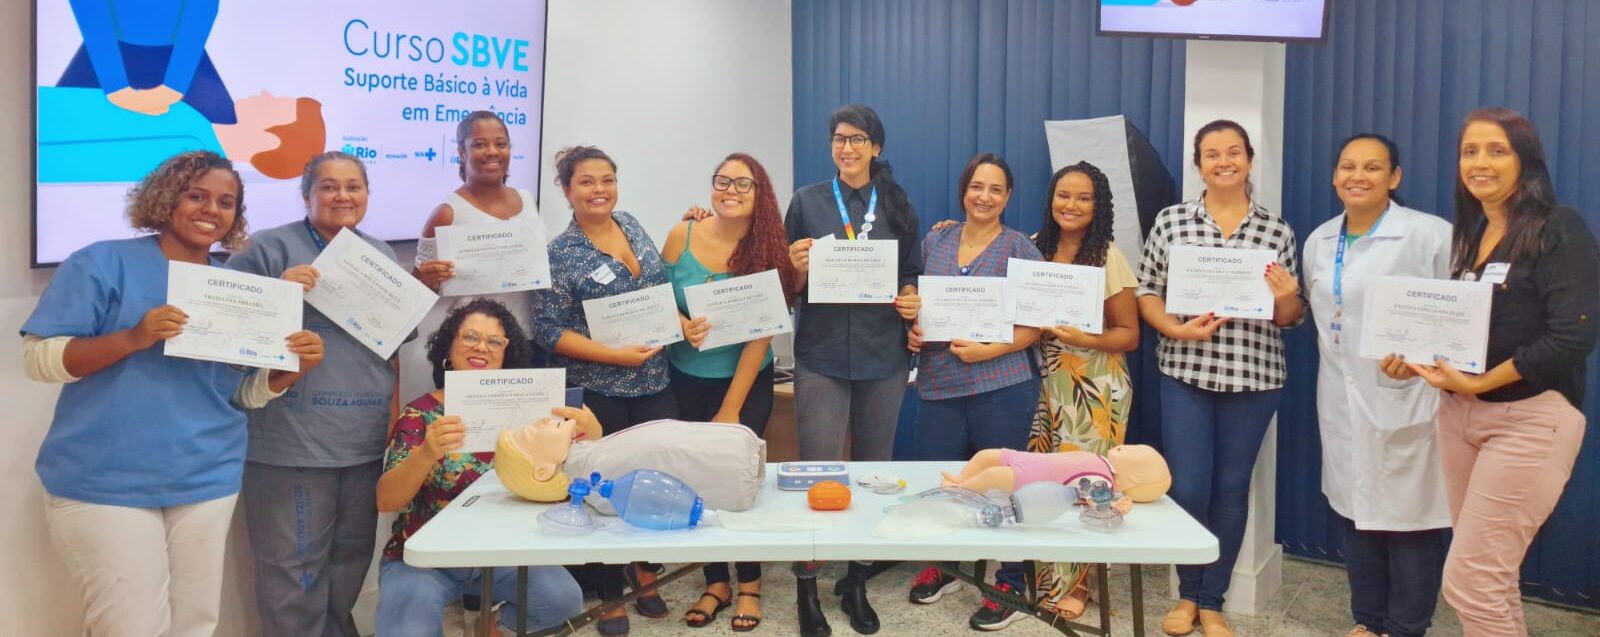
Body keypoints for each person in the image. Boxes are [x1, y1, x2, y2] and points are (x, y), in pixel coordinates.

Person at [20, 150, 324, 637]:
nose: (211, 210)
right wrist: (132, 338)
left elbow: (239, 393)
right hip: (105, 482)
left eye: (226, 202)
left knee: (195, 625)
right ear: (165, 198)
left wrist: (289, 371)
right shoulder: (102, 262)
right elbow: (39, 360)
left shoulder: (237, 287)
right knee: (130, 627)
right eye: (196, 195)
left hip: (206, 477)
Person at [1381, 107, 1597, 636]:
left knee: (1471, 579)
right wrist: (1418, 360)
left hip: (1529, 420)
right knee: (1492, 578)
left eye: (1496, 150)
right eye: (1469, 151)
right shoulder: (1474, 234)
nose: (1480, 162)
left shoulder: (1557, 227)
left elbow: (1572, 336)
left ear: (1526, 161)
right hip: (1459, 418)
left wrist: (1478, 382)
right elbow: (1467, 331)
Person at [1138, 120, 1306, 637]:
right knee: (1188, 488)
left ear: (1250, 161)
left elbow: (1291, 318)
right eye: (1212, 154)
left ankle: (1213, 600)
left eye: (1234, 152)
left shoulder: (1276, 231)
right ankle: (1187, 596)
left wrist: (1284, 296)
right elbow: (1147, 292)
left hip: (1254, 379)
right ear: (1199, 164)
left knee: (1232, 491)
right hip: (1185, 372)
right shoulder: (1171, 223)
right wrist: (1175, 329)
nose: (1223, 161)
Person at [225, 151, 398, 637]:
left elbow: (391, 349)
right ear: (306, 196)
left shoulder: (379, 256)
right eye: (328, 186)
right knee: (292, 569)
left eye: (353, 186)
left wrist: (393, 416)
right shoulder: (269, 249)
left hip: (362, 440)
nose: (342, 196)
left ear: (366, 195)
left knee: (349, 560)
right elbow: (224, 335)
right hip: (291, 442)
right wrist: (278, 295)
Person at [783, 104, 922, 637]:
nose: (847, 148)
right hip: (820, 353)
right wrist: (794, 270)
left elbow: (910, 272)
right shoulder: (808, 201)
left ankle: (856, 580)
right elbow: (786, 282)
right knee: (818, 472)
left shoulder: (897, 202)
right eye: (839, 139)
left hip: (883, 353)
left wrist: (910, 298)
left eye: (858, 139)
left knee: (871, 472)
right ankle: (807, 586)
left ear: (876, 147)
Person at [1305, 134, 1452, 637]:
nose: (1357, 176)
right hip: (1343, 402)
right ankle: (1367, 623)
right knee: (1356, 516)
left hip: (1412, 399)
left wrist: (1425, 360)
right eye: (1347, 166)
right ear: (1334, 176)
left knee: (1412, 525)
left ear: (1395, 177)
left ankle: (1407, 627)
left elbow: (1464, 317)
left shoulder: (1430, 235)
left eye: (1372, 167)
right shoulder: (1320, 240)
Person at [531, 145, 676, 635]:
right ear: (567, 190)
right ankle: (611, 596)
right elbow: (548, 330)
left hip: (657, 381)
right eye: (587, 182)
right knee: (606, 488)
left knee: (653, 479)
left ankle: (645, 575)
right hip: (600, 392)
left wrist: (678, 321)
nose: (600, 190)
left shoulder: (632, 225)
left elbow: (656, 293)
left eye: (607, 179)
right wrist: (615, 355)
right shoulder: (559, 253)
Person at [374, 299, 584, 636]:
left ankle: (493, 625)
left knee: (563, 600)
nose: (481, 348)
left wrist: (591, 431)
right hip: (425, 557)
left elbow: (570, 475)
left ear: (506, 353)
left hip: (501, 551)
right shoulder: (421, 414)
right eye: (470, 337)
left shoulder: (529, 411)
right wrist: (426, 452)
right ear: (448, 347)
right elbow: (386, 501)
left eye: (494, 341)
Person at [900, 153, 1042, 631]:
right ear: (964, 191)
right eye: (977, 186)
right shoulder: (935, 239)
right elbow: (918, 306)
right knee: (943, 484)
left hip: (1001, 383)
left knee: (1003, 487)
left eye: (996, 189)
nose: (985, 196)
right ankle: (947, 566)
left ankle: (1010, 582)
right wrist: (914, 333)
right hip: (939, 384)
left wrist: (990, 350)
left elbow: (1036, 323)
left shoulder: (1020, 248)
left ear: (1008, 197)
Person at [665, 153, 797, 632]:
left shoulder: (766, 248)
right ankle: (715, 581)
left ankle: (750, 584)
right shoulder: (682, 234)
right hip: (683, 378)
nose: (732, 190)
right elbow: (660, 298)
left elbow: (759, 336)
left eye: (744, 183)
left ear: (760, 194)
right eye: (723, 181)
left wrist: (731, 409)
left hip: (745, 382)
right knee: (695, 481)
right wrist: (681, 324)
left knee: (737, 481)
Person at [1030, 161, 1142, 621]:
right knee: (1043, 484)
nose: (1071, 205)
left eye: (1083, 198)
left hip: (1095, 389)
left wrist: (1084, 339)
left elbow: (1128, 333)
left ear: (1099, 207)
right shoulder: (1033, 249)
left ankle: (1082, 584)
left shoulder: (1107, 256)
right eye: (1063, 195)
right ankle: (1048, 579)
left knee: (1087, 485)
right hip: (1044, 384)